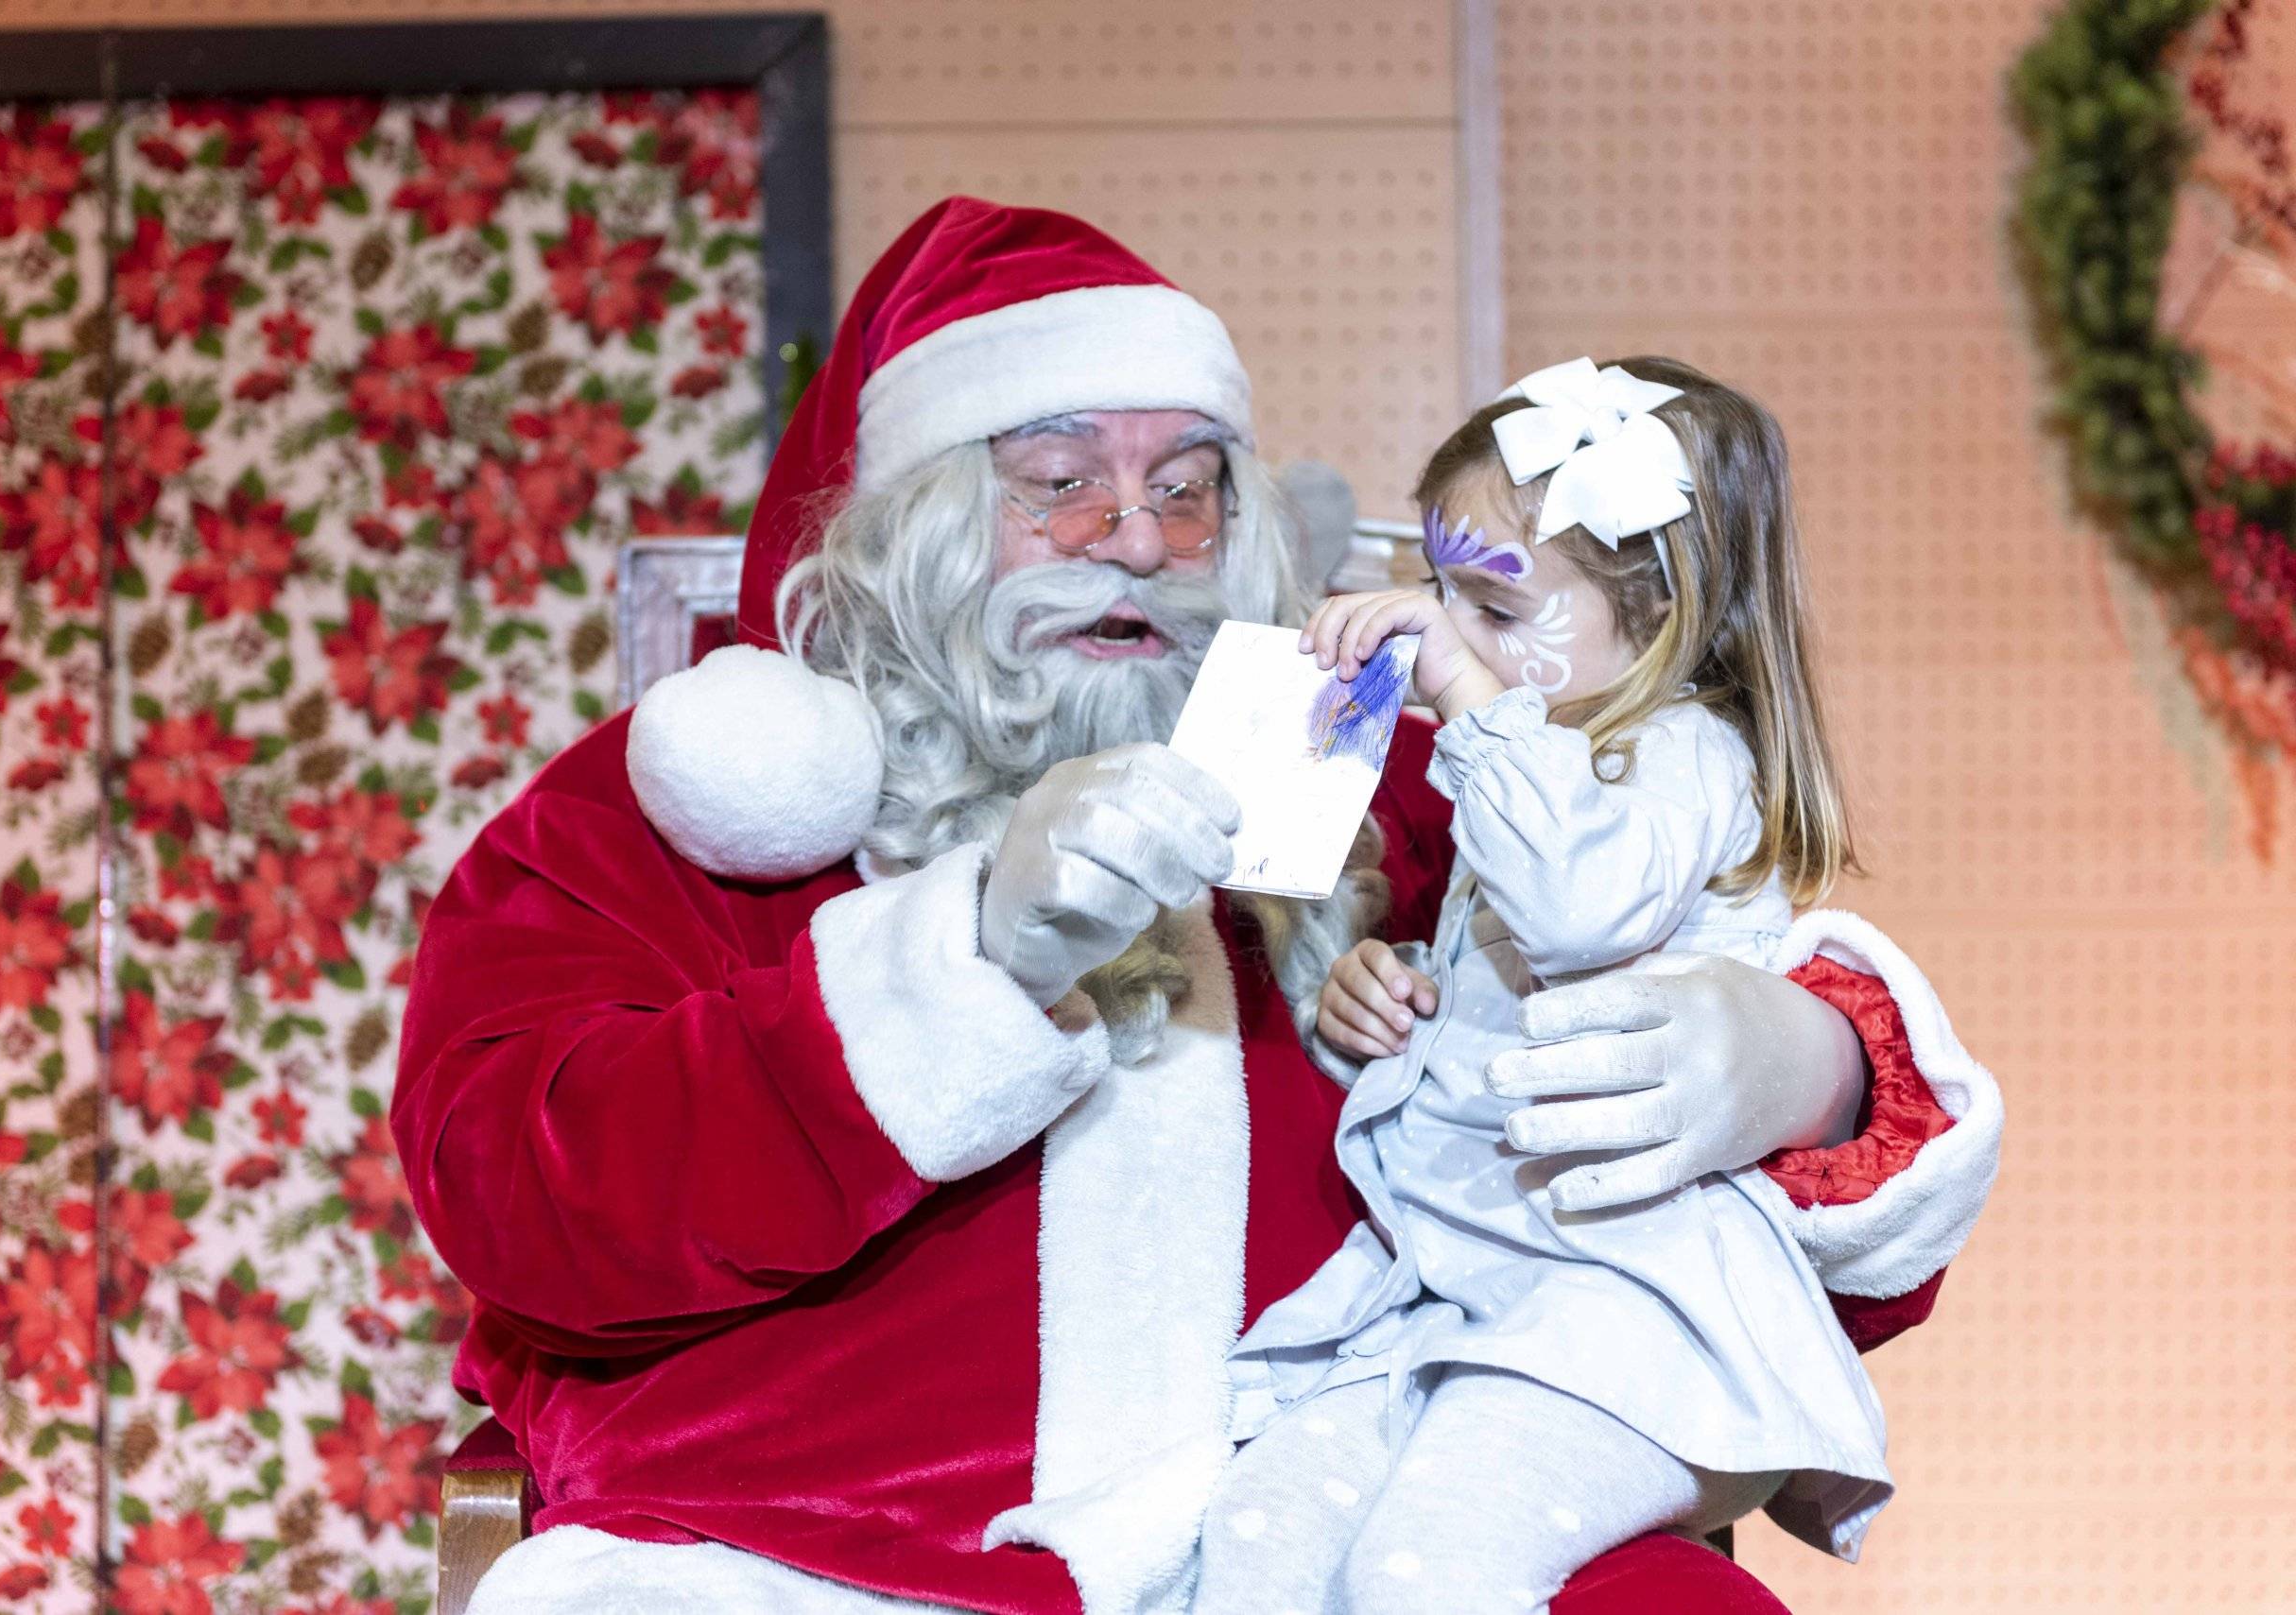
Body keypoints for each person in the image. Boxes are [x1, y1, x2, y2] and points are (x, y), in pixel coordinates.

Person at [391, 199, 2003, 1615]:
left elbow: (1768, 1272)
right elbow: (519, 1194)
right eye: (1062, 483)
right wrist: (955, 965)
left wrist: (1803, 1070)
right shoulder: (681, 816)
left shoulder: (1401, 784)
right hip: (790, 1559)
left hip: (1329, 1510)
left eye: (1188, 488)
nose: (1141, 544)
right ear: (923, 518)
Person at [1198, 357, 1907, 1615]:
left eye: (1500, 609)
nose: (1449, 634)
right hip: (1455, 1282)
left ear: (1667, 618)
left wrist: (1466, 692)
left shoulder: (1687, 753)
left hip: (1614, 1305)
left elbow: (1580, 911)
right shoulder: (1542, 760)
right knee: (1258, 1536)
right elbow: (1513, 982)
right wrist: (1393, 980)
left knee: (1429, 1571)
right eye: (1443, 591)